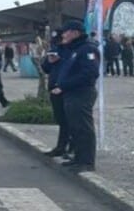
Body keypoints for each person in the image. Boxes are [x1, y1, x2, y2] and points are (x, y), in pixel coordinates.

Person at [52, 21, 100, 173]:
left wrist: (65, 85)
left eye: (66, 32)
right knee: (75, 127)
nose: (63, 35)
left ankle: (87, 161)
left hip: (82, 93)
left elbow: (90, 73)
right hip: (71, 93)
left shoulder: (87, 49)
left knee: (83, 128)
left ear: (75, 33)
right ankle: (78, 158)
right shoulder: (74, 49)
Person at [41, 31, 70, 158]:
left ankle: (70, 147)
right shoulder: (55, 49)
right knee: (60, 119)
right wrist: (50, 60)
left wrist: (61, 59)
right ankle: (61, 147)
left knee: (69, 120)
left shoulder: (71, 51)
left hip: (65, 88)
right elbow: (46, 68)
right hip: (53, 87)